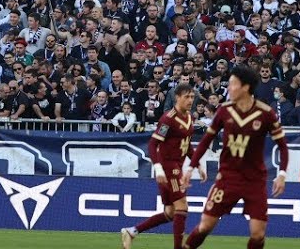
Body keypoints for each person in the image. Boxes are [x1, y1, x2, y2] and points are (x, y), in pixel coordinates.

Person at [184, 65, 287, 249]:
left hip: (255, 180)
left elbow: (282, 146)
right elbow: (206, 140)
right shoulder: (224, 111)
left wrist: (282, 175)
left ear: (245, 87)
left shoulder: (266, 113)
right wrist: (191, 167)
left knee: (258, 233)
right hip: (227, 178)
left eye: (232, 84)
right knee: (205, 225)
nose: (229, 88)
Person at [122, 83, 198, 249]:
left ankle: (132, 231)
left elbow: (186, 144)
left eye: (192, 97)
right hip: (169, 168)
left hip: (177, 166)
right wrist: (158, 168)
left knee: (171, 213)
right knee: (182, 207)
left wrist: (197, 164)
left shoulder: (189, 116)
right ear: (177, 97)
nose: (190, 100)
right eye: (187, 96)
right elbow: (152, 144)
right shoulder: (168, 119)